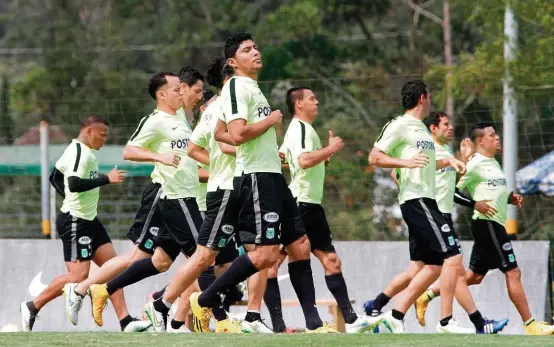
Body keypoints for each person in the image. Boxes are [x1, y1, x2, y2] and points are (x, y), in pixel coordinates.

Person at [63, 69, 205, 329]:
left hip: (180, 195)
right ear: (162, 95)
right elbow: (129, 151)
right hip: (164, 194)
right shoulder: (155, 120)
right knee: (155, 257)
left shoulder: (182, 119)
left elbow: (189, 158)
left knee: (161, 261)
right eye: (177, 89)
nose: (182, 93)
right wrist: (158, 157)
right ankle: (85, 289)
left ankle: (165, 313)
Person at [364, 112, 508, 334]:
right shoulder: (425, 144)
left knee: (425, 269)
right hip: (431, 213)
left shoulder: (444, 150)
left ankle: (381, 307)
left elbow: (453, 181)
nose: (450, 128)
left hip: (433, 214)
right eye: (445, 125)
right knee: (454, 265)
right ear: (433, 128)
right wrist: (412, 191)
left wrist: (463, 160)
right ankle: (463, 322)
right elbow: (395, 172)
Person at [414, 122, 554, 336]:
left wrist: (509, 197)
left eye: (496, 134)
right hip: (487, 224)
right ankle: (530, 324)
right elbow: (452, 190)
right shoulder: (475, 163)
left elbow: (494, 189)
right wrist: (474, 203)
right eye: (492, 135)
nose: (497, 138)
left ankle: (428, 295)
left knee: (474, 277)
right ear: (481, 141)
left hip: (492, 223)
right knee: (513, 272)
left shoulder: (492, 162)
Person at [21, 115, 150, 332]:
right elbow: (73, 183)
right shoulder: (79, 152)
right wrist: (106, 179)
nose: (104, 139)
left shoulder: (80, 151)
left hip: (89, 220)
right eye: (102, 135)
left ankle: (125, 320)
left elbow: (55, 177)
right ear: (89, 131)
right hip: (75, 221)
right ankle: (33, 306)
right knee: (78, 277)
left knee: (114, 268)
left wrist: (72, 199)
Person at [274, 86, 381, 333]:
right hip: (299, 205)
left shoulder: (306, 130)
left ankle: (351, 321)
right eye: (312, 98)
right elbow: (303, 161)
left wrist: (324, 155)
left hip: (312, 206)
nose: (317, 101)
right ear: (298, 103)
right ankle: (271, 321)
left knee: (331, 261)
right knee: (270, 263)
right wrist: (331, 148)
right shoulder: (299, 128)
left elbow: (299, 161)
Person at [368, 80, 466, 333]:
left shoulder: (423, 130)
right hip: (416, 201)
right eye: (430, 96)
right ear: (423, 98)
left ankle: (395, 316)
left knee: (432, 266)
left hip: (427, 200)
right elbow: (374, 156)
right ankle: (446, 321)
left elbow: (427, 164)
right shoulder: (398, 125)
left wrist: (450, 161)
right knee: (453, 256)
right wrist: (405, 163)